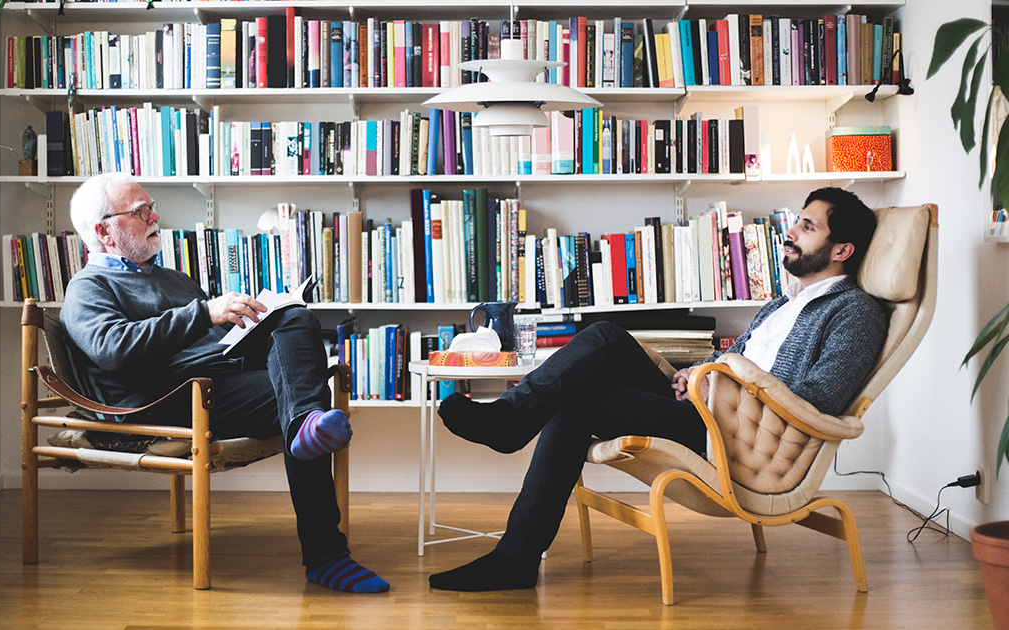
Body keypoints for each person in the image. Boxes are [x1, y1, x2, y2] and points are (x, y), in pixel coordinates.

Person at [429, 187, 888, 592]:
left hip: (732, 438)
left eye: (808, 227)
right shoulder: (783, 302)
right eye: (797, 221)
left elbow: (817, 398)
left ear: (842, 249)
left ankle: (515, 550)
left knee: (578, 402)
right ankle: (512, 420)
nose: (791, 231)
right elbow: (739, 359)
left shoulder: (855, 312)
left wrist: (723, 378)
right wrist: (701, 371)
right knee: (605, 336)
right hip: (706, 405)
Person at [60, 173, 389, 594]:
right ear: (104, 230)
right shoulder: (88, 288)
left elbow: (211, 336)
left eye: (151, 206)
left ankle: (306, 425)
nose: (154, 216)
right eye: (141, 212)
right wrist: (204, 313)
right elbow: (113, 349)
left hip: (215, 379)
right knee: (306, 395)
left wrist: (251, 319)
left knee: (295, 322)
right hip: (163, 397)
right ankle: (327, 553)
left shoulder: (172, 279)